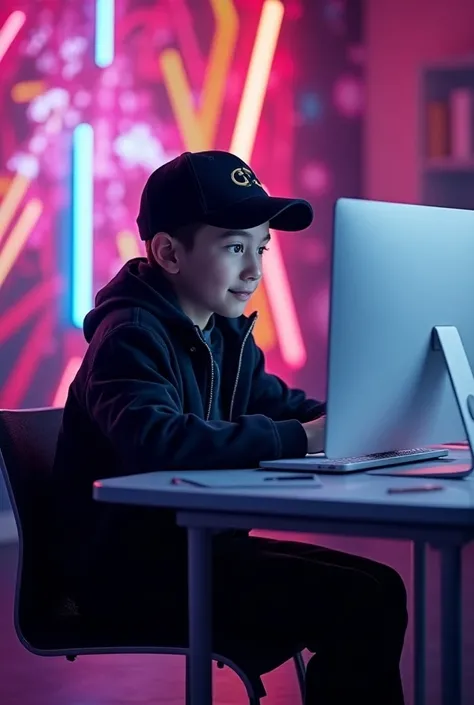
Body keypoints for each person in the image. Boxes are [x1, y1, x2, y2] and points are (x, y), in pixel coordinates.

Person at [51, 150, 407, 704]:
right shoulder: (128, 336)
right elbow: (157, 442)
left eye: (261, 248)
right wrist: (306, 437)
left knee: (381, 588)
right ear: (169, 252)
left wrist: (365, 418)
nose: (255, 270)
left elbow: (284, 406)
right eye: (235, 247)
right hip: (128, 578)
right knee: (359, 601)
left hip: (196, 554)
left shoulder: (225, 333)